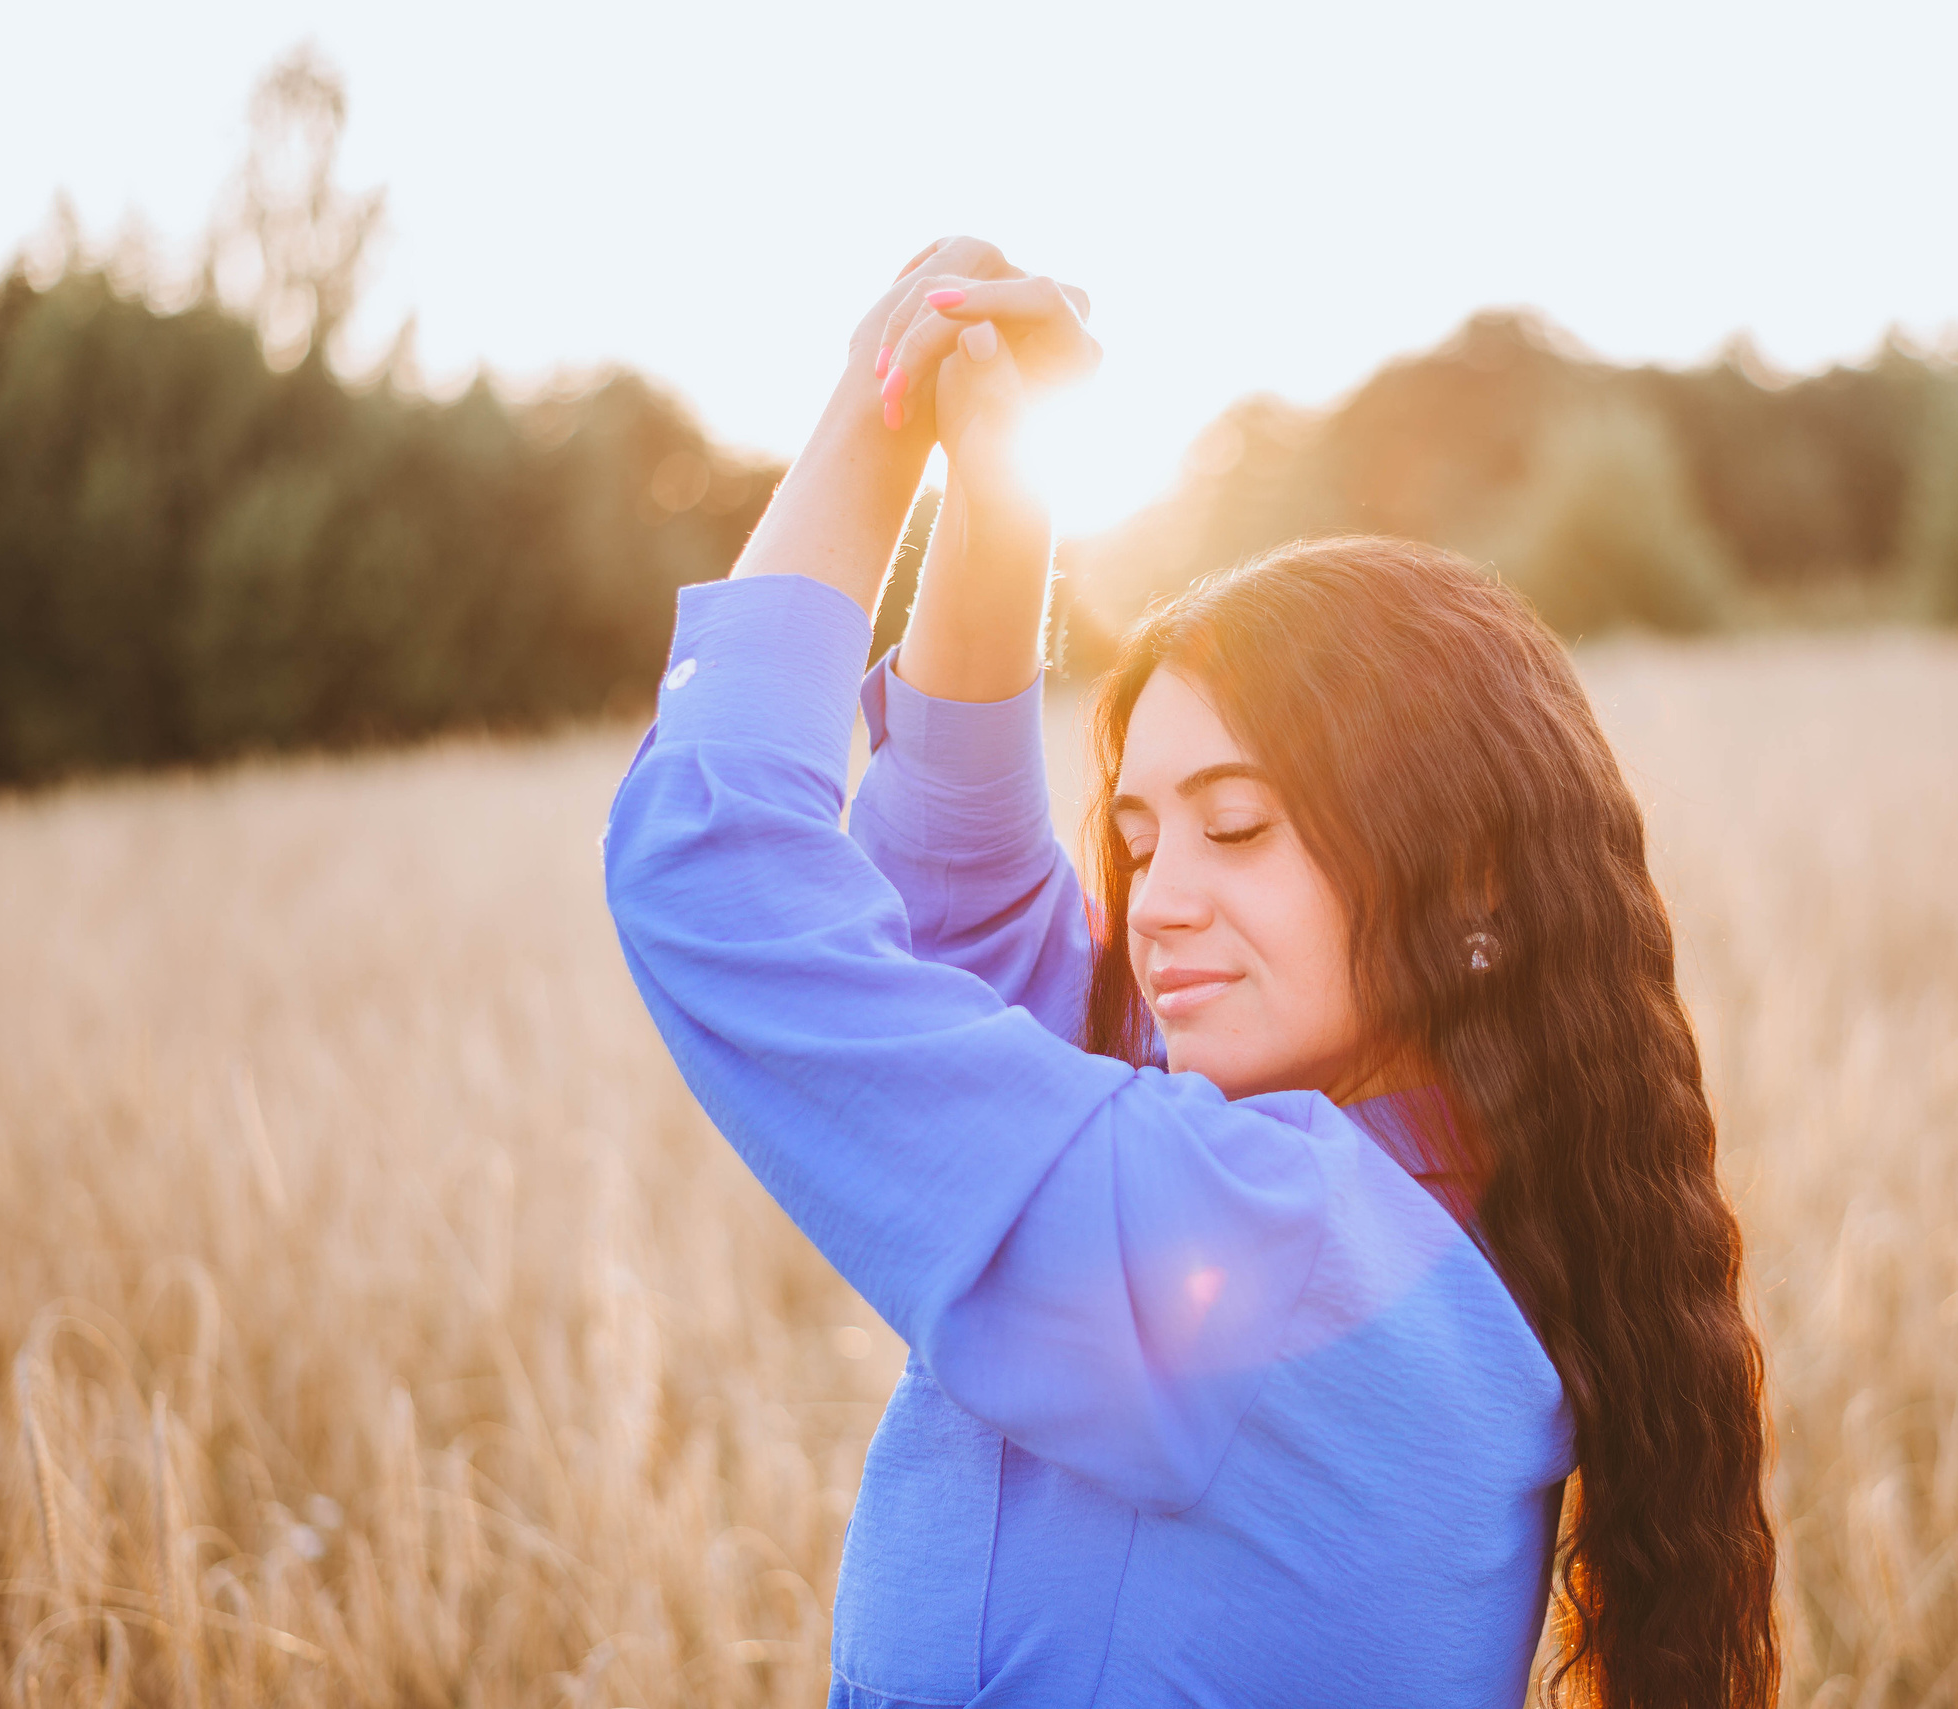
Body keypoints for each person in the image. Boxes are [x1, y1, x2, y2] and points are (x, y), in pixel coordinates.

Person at [602, 236, 1778, 1709]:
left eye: (1237, 824)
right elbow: (966, 932)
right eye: (1143, 839)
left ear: (1466, 869)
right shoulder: (1407, 1221)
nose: (1159, 903)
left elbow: (716, 870)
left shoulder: (1273, 1239)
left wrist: (874, 407)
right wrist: (1001, 482)